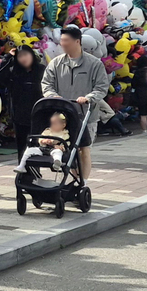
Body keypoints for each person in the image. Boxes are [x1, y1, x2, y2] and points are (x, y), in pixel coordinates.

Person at [42, 27, 110, 184]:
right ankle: (74, 179)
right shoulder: (56, 63)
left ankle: (83, 182)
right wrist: (53, 96)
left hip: (87, 115)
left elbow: (101, 87)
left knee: (84, 149)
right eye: (61, 41)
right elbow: (46, 84)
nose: (62, 44)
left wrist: (89, 98)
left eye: (66, 41)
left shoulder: (94, 64)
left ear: (77, 41)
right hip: (63, 116)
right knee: (69, 150)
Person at [0, 44, 44, 163]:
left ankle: (35, 172)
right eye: (20, 56)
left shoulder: (41, 70)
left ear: (32, 55)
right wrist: (8, 58)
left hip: (38, 115)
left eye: (26, 55)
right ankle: (23, 175)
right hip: (19, 117)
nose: (23, 58)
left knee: (35, 146)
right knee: (22, 147)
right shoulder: (14, 72)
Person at [132, 46, 147, 134]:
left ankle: (144, 131)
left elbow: (133, 84)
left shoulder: (137, 72)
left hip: (140, 95)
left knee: (143, 115)